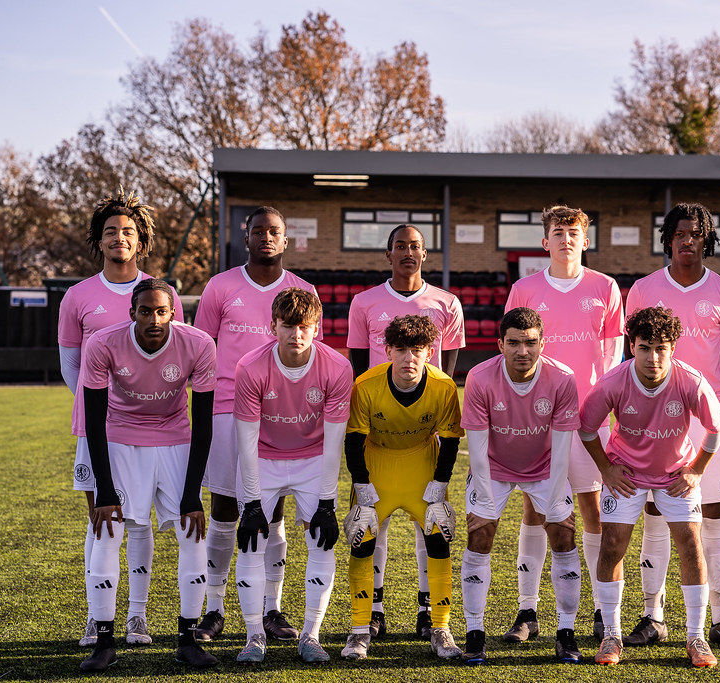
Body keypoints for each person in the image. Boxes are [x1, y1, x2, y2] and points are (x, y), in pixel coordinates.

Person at [624, 203, 720, 649]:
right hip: (653, 420)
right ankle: (652, 616)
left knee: (712, 513)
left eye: (695, 234)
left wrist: (705, 399)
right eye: (679, 233)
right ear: (668, 239)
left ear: (706, 239)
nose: (687, 241)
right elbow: (632, 353)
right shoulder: (643, 290)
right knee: (655, 513)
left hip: (704, 419)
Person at [57, 188, 183, 648]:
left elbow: (175, 358)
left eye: (128, 231)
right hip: (99, 428)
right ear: (99, 240)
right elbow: (71, 365)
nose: (119, 238)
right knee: (101, 518)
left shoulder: (162, 293)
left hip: (151, 429)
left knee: (140, 522)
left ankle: (137, 616)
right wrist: (102, 411)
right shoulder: (77, 296)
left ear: (141, 240)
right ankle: (98, 617)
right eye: (110, 231)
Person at [193, 206, 319, 644]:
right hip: (228, 408)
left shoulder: (303, 291)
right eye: (258, 230)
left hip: (280, 413)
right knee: (226, 508)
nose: (266, 237)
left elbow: (309, 357)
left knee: (274, 509)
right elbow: (202, 348)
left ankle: (271, 608)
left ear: (286, 240)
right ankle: (213, 609)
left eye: (274, 231)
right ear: (245, 237)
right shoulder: (220, 286)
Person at [78, 278, 217, 671]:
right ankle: (104, 642)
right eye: (145, 311)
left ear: (173, 313)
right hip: (121, 438)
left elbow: (203, 424)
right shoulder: (103, 343)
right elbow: (94, 421)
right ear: (132, 313)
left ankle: (188, 640)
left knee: (193, 532)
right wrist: (104, 490)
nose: (154, 319)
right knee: (107, 531)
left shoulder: (199, 344)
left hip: (175, 440)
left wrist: (192, 494)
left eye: (161, 311)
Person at [579, 306, 720, 669]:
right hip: (627, 474)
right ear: (632, 346)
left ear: (673, 348)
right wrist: (606, 468)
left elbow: (717, 428)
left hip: (675, 474)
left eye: (661, 348)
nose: (653, 357)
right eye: (645, 348)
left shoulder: (690, 380)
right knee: (612, 545)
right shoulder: (613, 381)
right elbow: (586, 427)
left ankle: (696, 636)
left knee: (690, 544)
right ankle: (611, 634)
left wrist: (696, 470)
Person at [504, 205, 623, 640]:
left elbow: (612, 357)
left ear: (585, 241)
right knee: (534, 508)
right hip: (539, 418)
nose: (566, 239)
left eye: (574, 233)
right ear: (545, 241)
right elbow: (513, 353)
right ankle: (527, 611)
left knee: (593, 509)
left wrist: (604, 410)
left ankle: (601, 609)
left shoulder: (605, 287)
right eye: (558, 232)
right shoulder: (524, 289)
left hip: (589, 419)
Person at [346, 224, 465, 640]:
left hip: (422, 432)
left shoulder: (447, 302)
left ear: (425, 253)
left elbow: (448, 365)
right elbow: (358, 361)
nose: (407, 252)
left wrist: (430, 402)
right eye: (400, 246)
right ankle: (372, 613)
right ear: (388, 253)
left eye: (415, 246)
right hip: (378, 427)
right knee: (368, 527)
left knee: (430, 525)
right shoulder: (364, 302)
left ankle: (428, 611)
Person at [231, 288, 353, 664]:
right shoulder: (250, 367)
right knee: (251, 543)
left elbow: (334, 442)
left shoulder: (337, 367)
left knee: (322, 542)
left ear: (317, 328)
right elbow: (246, 441)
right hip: (263, 458)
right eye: (288, 326)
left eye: (304, 326)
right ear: (273, 326)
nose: (296, 334)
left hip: (313, 458)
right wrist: (252, 502)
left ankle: (311, 636)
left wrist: (327, 502)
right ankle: (254, 636)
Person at [459, 307, 582, 665]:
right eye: (513, 343)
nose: (522, 351)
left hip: (545, 468)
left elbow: (562, 449)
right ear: (500, 344)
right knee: (479, 534)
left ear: (543, 343)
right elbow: (477, 449)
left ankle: (566, 634)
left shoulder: (562, 378)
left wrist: (556, 501)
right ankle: (475, 634)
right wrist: (484, 501)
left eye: (530, 343)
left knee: (563, 535)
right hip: (494, 468)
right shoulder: (480, 377)